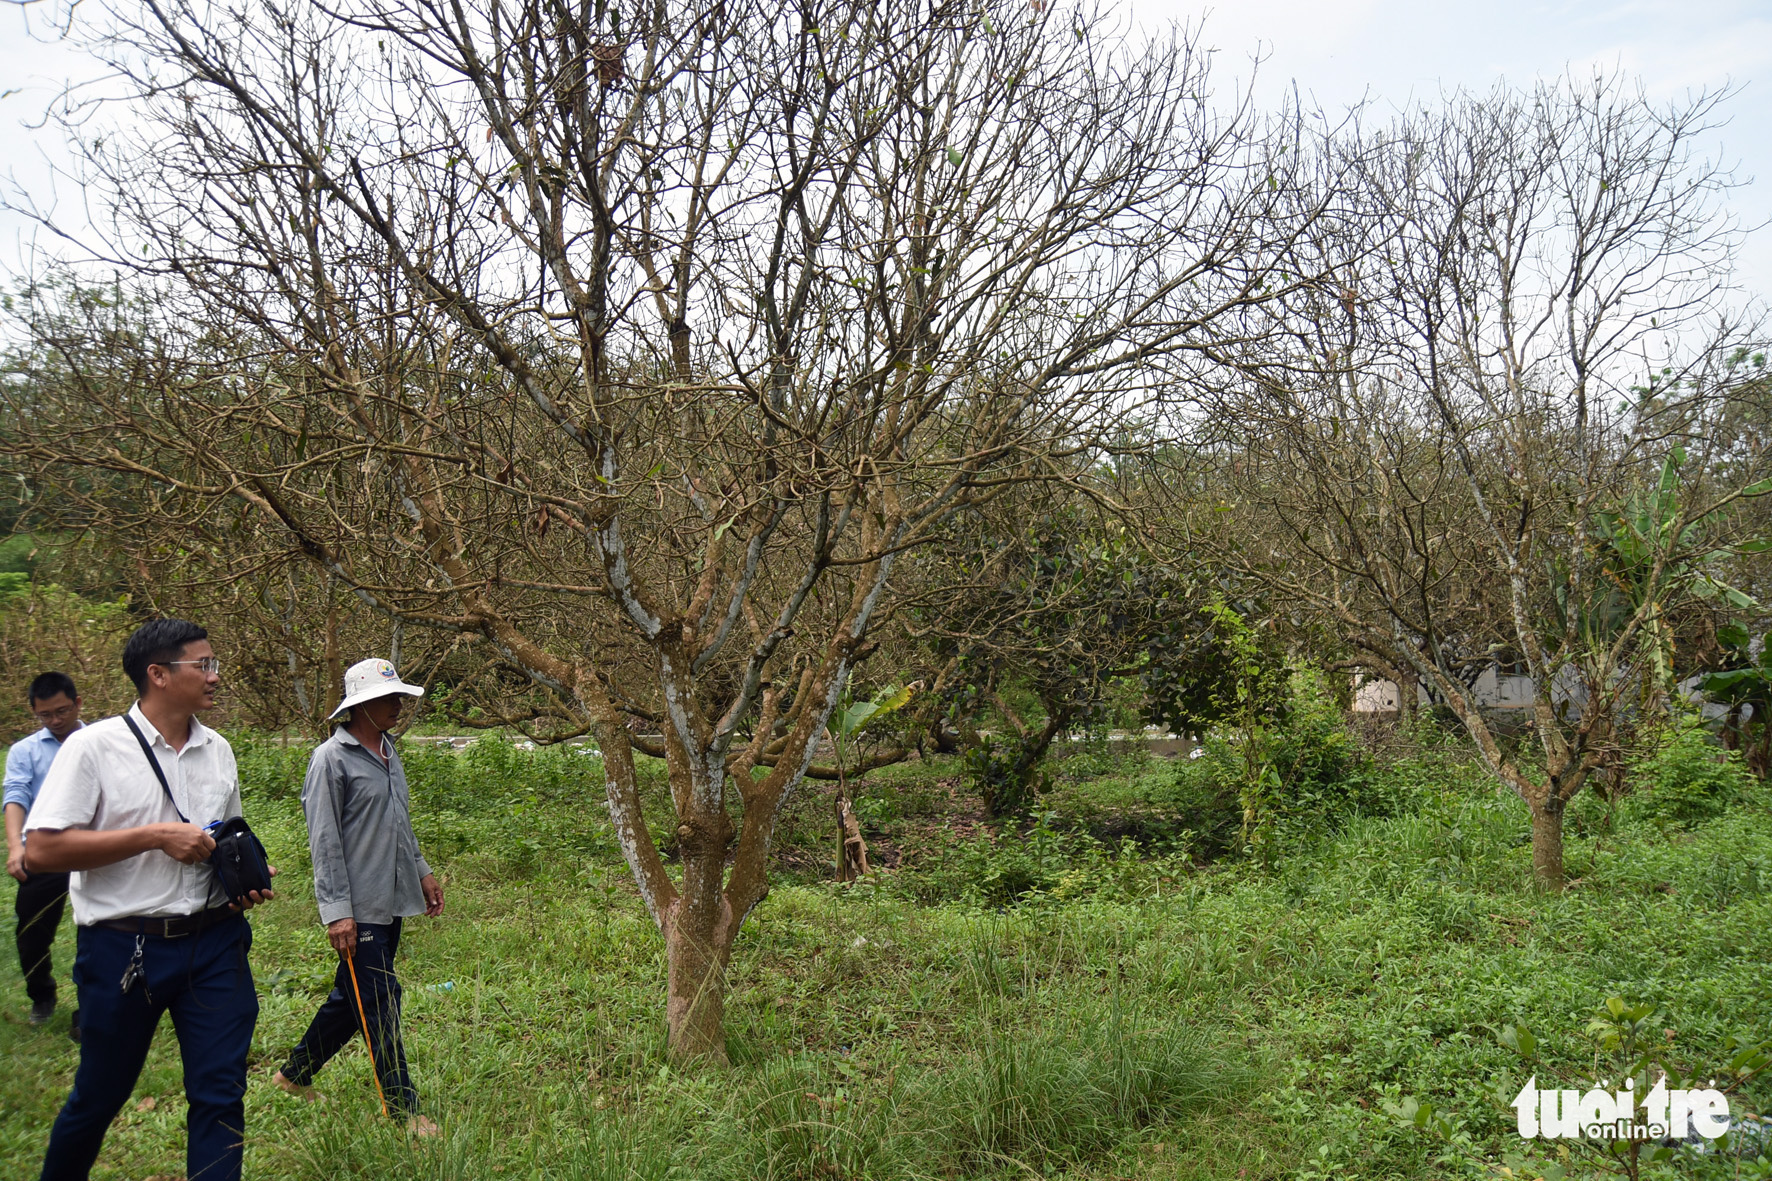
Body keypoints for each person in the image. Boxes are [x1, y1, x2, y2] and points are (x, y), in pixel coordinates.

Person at [23, 619, 275, 1181]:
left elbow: (223, 833)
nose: (215, 675)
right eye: (202, 664)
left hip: (215, 945)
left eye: (215, 663)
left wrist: (241, 872)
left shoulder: (218, 749)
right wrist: (156, 836)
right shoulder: (94, 748)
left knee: (220, 1096)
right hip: (122, 950)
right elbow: (40, 851)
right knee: (99, 1097)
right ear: (158, 675)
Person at [272, 657, 443, 1136]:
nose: (399, 706)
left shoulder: (389, 751)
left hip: (392, 899)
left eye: (400, 698)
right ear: (362, 705)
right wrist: (337, 914)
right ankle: (404, 1110)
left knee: (353, 997)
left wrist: (422, 871)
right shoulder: (331, 760)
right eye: (390, 699)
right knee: (381, 1000)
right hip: (358, 907)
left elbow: (398, 824)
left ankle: (293, 1076)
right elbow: (324, 843)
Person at [6, 672, 85, 1033]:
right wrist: (15, 847)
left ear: (77, 703)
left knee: (98, 931)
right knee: (32, 931)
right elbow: (15, 797)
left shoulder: (99, 742)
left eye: (62, 711)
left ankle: (89, 1010)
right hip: (44, 852)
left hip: (92, 850)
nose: (55, 721)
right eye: (45, 715)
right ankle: (43, 995)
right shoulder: (26, 751)